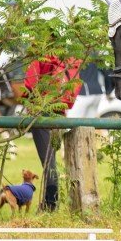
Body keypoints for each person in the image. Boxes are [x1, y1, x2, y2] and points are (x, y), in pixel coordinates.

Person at [24, 55, 81, 210]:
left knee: (49, 163)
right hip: (58, 115)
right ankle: (49, 204)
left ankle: (51, 206)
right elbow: (71, 96)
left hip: (41, 113)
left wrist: (31, 101)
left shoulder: (42, 54)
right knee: (51, 161)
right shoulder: (71, 59)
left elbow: (29, 83)